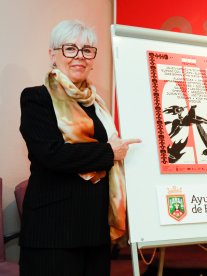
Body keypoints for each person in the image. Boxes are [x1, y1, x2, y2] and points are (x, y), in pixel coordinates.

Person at [19, 19, 141, 276]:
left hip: (95, 229)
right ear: (53, 54)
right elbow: (50, 154)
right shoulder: (36, 98)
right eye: (70, 49)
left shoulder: (97, 104)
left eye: (87, 50)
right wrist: (108, 153)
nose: (80, 57)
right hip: (53, 231)